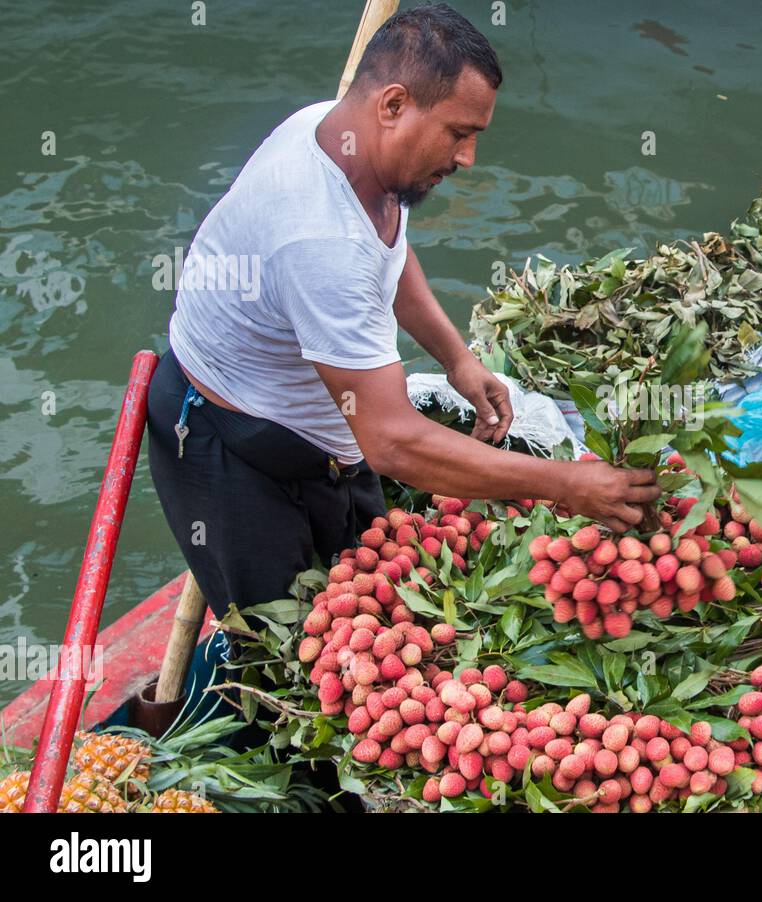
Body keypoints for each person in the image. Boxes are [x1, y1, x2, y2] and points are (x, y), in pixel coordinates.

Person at [147, 4, 659, 622]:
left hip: (328, 433)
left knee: (363, 591)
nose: (468, 157)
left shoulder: (346, 140)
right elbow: (390, 441)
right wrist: (566, 485)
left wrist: (458, 359)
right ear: (393, 106)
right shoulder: (318, 237)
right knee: (275, 645)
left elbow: (387, 252)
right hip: (232, 440)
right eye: (459, 132)